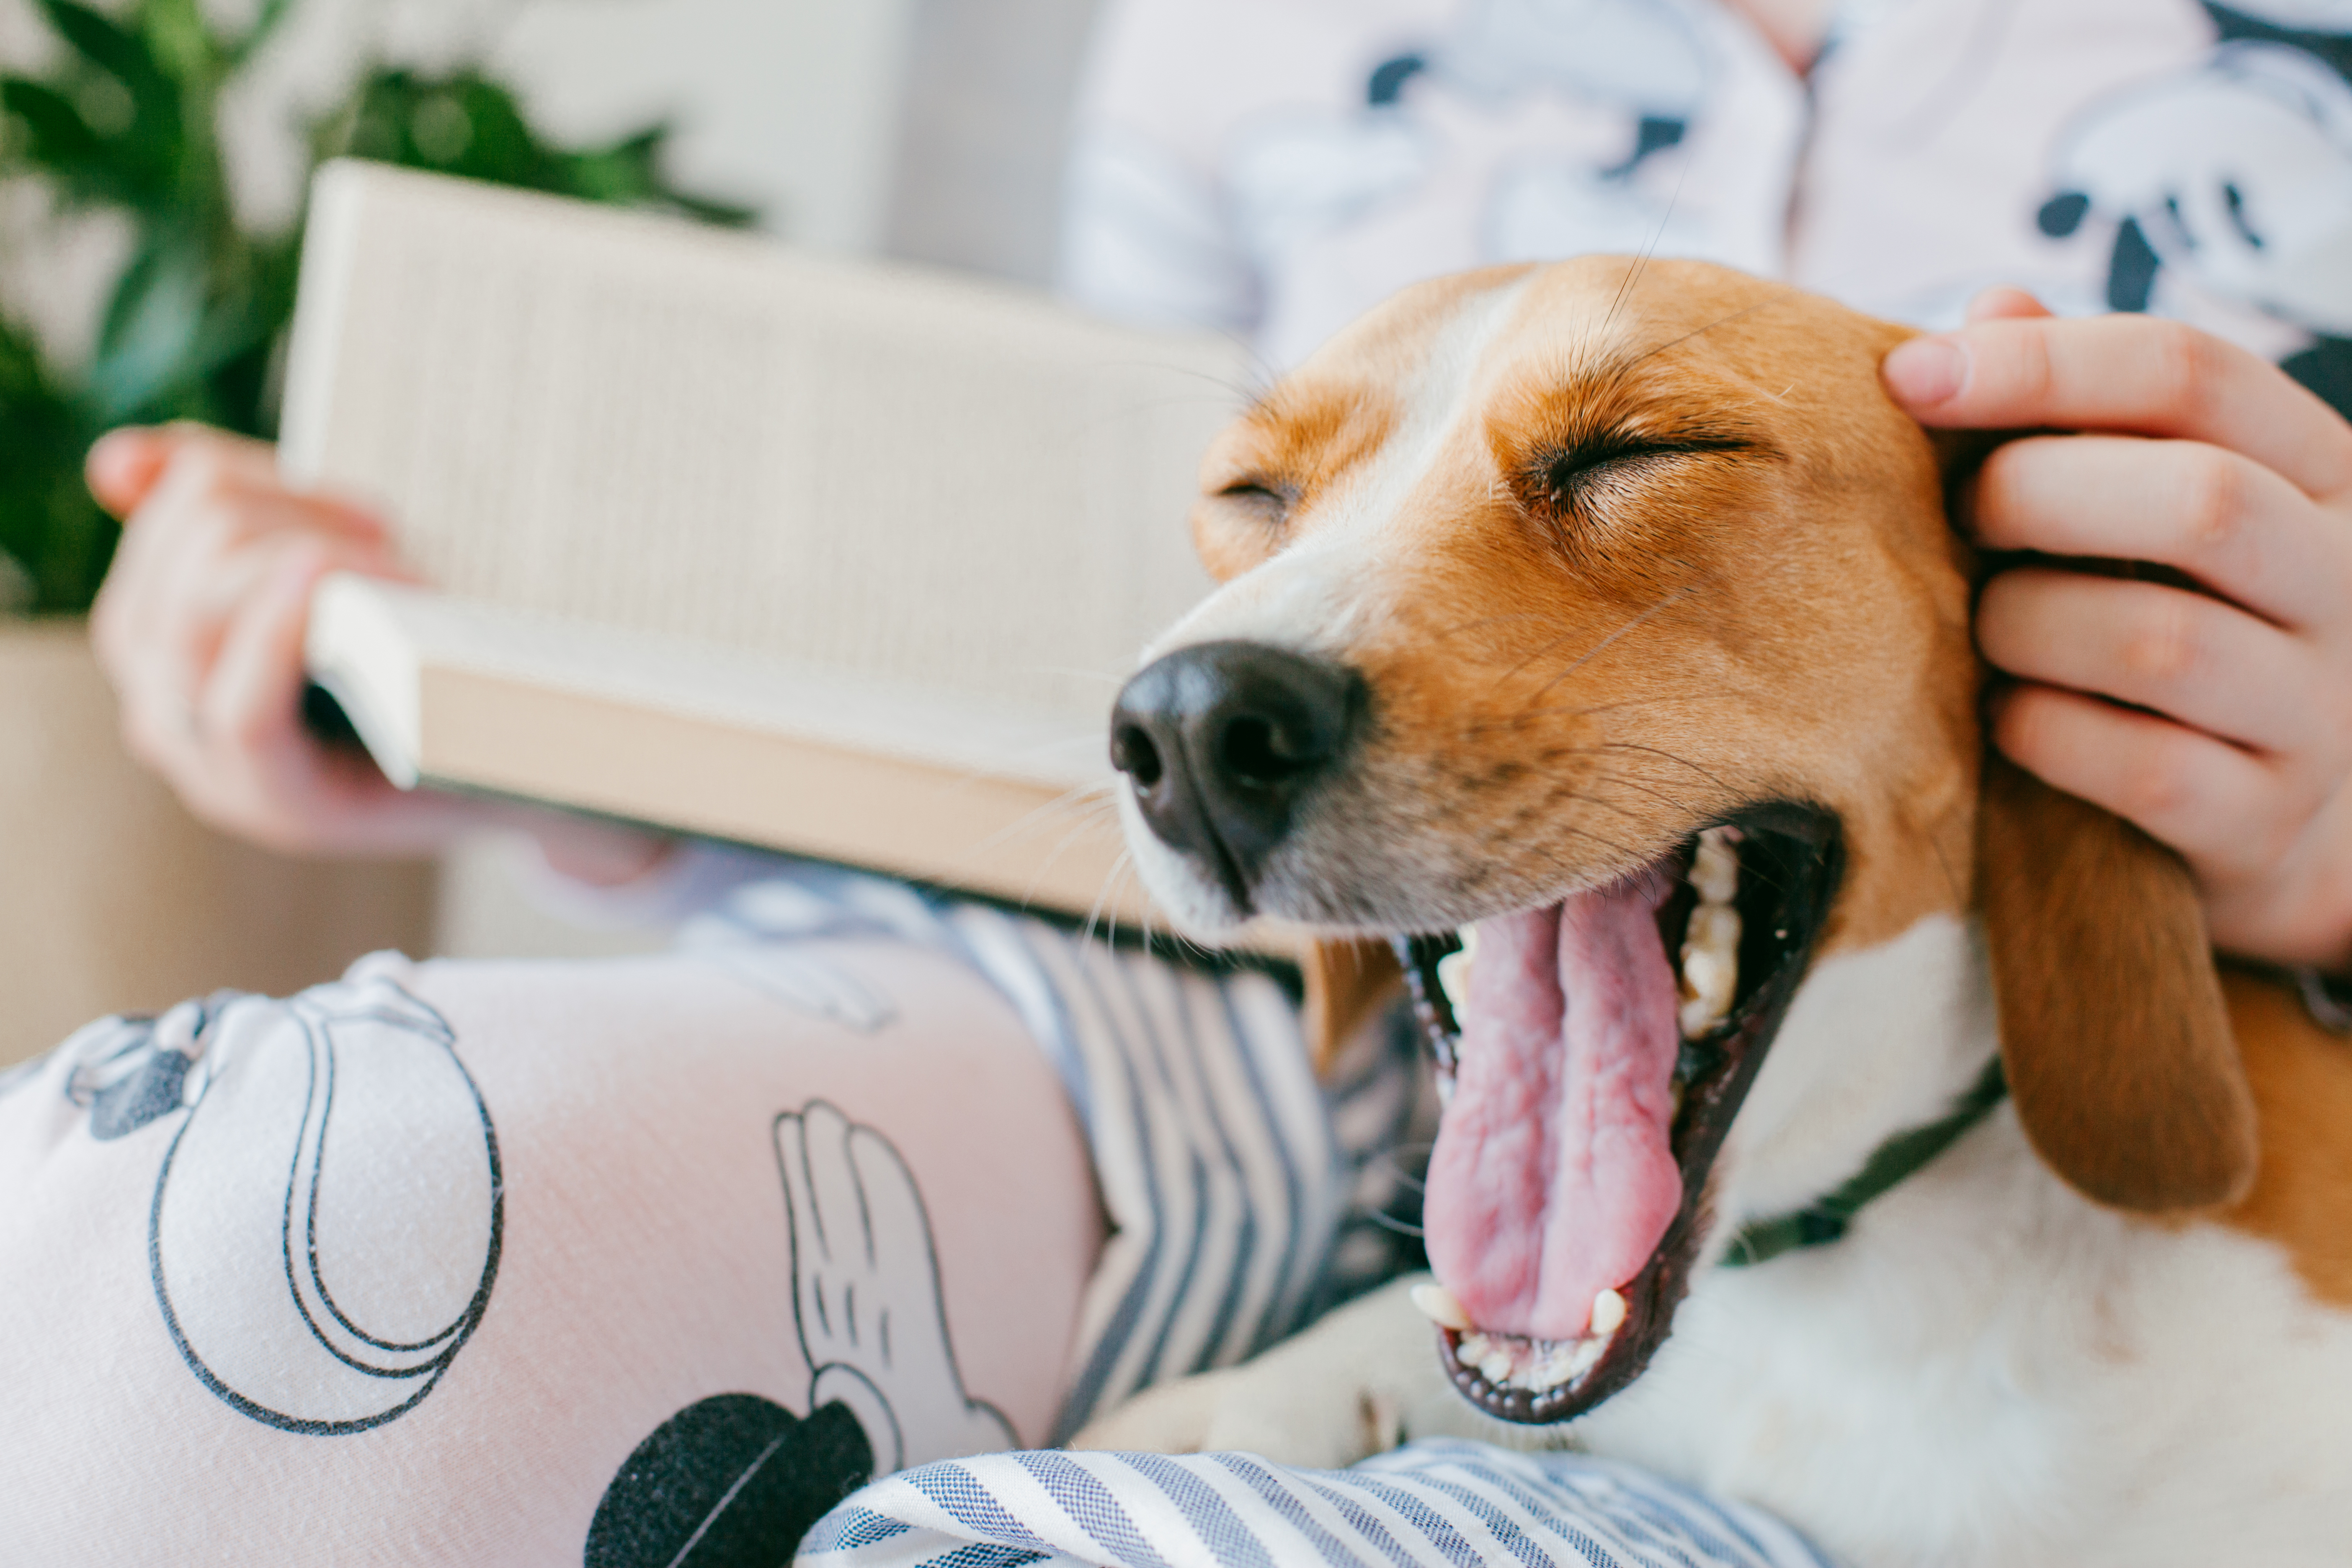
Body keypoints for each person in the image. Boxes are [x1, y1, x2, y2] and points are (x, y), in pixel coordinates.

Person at [6, 0, 2350, 1564]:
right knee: (241, 1207)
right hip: (1223, 1005)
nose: (1285, 606)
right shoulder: (1231, 36)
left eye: (1631, 457)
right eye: (1262, 508)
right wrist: (463, 693)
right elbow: (1060, 657)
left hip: (2175, 1010)